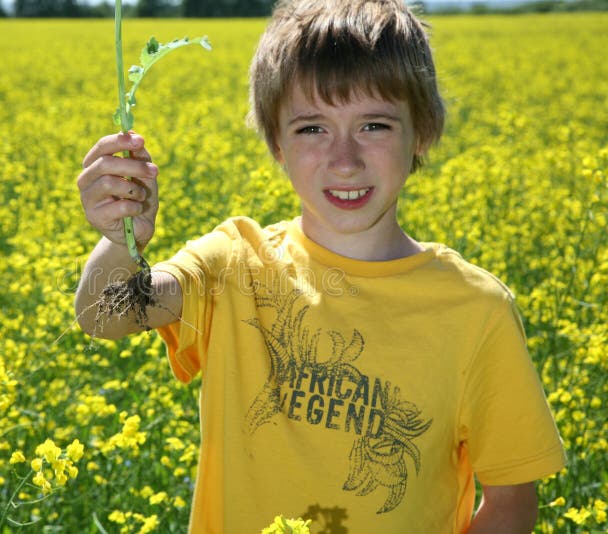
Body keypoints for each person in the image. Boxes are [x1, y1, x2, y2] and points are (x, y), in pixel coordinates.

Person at [75, 0, 566, 531]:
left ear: (420, 133)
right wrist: (122, 239)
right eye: (312, 129)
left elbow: (512, 503)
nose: (345, 159)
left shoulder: (477, 311)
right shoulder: (236, 262)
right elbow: (104, 316)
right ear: (276, 144)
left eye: (374, 125)